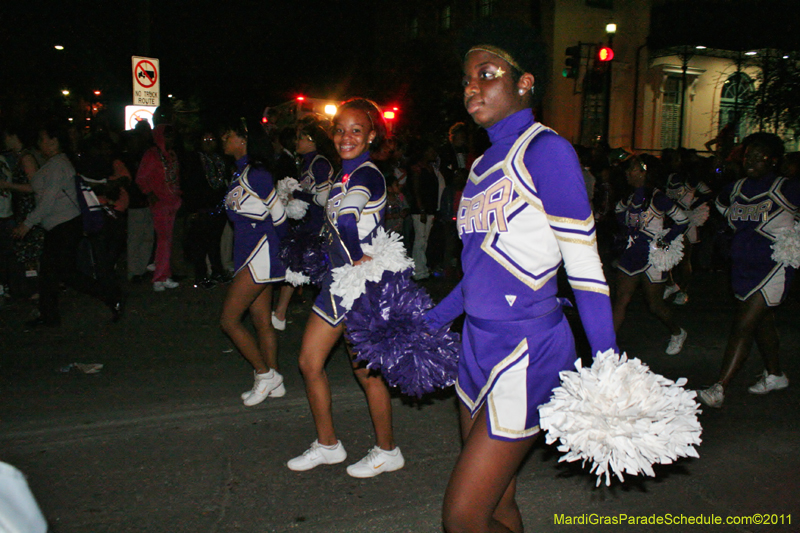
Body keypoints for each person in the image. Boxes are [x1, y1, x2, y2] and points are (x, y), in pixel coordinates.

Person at [424, 21, 617, 532]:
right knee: (498, 500)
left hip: (527, 350)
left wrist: (610, 368)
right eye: (466, 79)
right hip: (476, 346)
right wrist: (426, 324)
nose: (471, 87)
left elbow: (586, 272)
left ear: (525, 81)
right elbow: (479, 274)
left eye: (486, 74)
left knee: (462, 517)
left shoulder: (546, 151)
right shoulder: (482, 163)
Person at [287, 98, 405, 478]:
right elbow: (328, 212)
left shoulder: (367, 174)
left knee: (366, 373)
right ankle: (328, 445)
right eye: (340, 129)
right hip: (336, 284)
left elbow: (351, 222)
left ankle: (388, 451)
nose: (345, 137)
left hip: (356, 287)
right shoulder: (343, 175)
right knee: (310, 362)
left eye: (356, 130)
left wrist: (355, 258)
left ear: (372, 134)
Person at [697, 133, 799, 408]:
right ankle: (776, 374)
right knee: (759, 322)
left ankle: (719, 387)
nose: (751, 159)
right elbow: (720, 213)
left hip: (773, 267)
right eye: (748, 155)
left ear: (774, 160)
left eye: (759, 155)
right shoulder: (734, 188)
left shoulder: (786, 188)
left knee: (742, 324)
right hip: (741, 268)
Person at [11, 120, 123, 326]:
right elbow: (39, 190)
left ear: (54, 141)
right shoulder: (53, 164)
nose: (40, 143)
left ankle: (110, 296)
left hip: (64, 225)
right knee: (53, 273)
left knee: (64, 273)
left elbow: (48, 199)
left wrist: (28, 223)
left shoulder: (58, 165)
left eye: (43, 139)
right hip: (60, 225)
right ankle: (51, 315)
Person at [220, 117, 288, 407]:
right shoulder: (241, 172)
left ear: (243, 140)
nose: (224, 138)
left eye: (229, 134)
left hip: (259, 256)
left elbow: (280, 216)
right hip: (251, 254)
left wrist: (279, 251)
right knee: (262, 321)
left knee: (229, 320)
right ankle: (275, 381)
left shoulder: (255, 173)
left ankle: (264, 374)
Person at [612, 154, 690, 355]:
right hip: (631, 257)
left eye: (633, 169)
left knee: (655, 305)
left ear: (644, 173)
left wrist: (665, 239)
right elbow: (620, 217)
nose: (628, 172)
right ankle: (606, 347)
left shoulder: (658, 198)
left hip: (651, 259)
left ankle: (678, 331)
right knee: (621, 300)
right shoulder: (629, 197)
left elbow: (682, 221)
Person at [272, 116, 336, 330]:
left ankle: (331, 316)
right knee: (296, 267)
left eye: (300, 137)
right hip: (308, 226)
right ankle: (280, 313)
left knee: (316, 271)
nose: (296, 141)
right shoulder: (307, 162)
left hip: (319, 229)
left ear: (311, 140)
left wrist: (297, 193)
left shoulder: (319, 163)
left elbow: (323, 198)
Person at [136, 124, 181, 292]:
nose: (171, 139)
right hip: (160, 202)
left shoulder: (171, 154)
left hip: (172, 201)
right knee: (163, 240)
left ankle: (164, 274)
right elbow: (141, 178)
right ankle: (159, 277)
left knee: (167, 240)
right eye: (167, 136)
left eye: (172, 136)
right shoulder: (152, 154)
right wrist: (149, 193)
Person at [182, 130, 230, 289]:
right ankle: (201, 276)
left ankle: (217, 271)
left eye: (211, 138)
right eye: (205, 138)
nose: (209, 141)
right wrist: (192, 208)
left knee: (214, 242)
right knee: (200, 245)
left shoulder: (220, 159)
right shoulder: (194, 159)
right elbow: (189, 185)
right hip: (201, 207)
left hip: (218, 206)